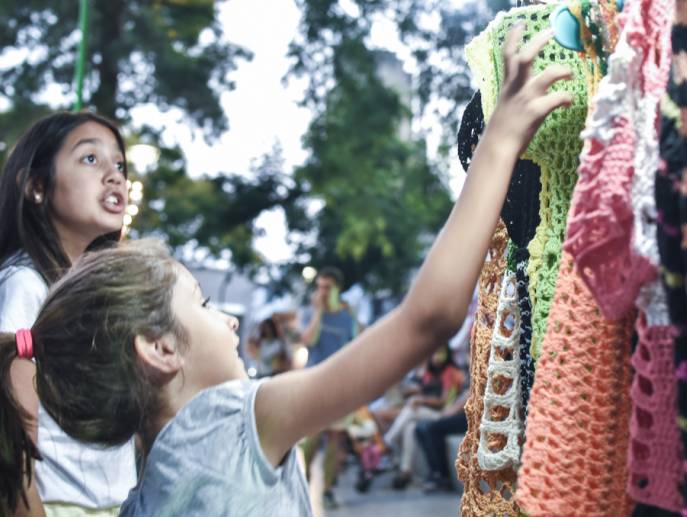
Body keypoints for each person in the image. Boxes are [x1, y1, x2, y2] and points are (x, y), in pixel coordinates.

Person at [0, 25, 572, 516]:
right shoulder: (231, 423)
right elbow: (427, 320)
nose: (226, 325)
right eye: (200, 306)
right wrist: (498, 142)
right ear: (158, 350)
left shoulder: (143, 492)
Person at [0, 112, 137, 516]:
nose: (115, 176)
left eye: (120, 164)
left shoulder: (100, 292)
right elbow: (12, 441)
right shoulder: (25, 284)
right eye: (90, 159)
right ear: (37, 187)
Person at [298, 266, 360, 508]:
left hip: (340, 384)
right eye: (319, 287)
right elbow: (308, 340)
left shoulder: (348, 318)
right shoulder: (311, 312)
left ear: (338, 289)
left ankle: (327, 489)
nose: (322, 292)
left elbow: (357, 347)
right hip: (314, 381)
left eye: (327, 287)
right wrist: (319, 311)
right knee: (311, 435)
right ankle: (304, 479)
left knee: (334, 438)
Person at [384, 343, 464, 489]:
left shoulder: (450, 371)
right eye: (434, 352)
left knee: (410, 411)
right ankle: (405, 471)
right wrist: (413, 393)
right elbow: (424, 389)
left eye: (440, 352)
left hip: (441, 411)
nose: (436, 356)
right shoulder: (429, 372)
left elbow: (443, 400)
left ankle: (387, 442)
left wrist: (419, 399)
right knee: (410, 428)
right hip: (427, 410)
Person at [415, 387, 471, 492]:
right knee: (420, 428)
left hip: (474, 414)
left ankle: (441, 475)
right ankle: (434, 472)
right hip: (461, 410)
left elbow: (470, 396)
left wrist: (447, 414)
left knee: (433, 429)